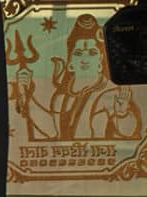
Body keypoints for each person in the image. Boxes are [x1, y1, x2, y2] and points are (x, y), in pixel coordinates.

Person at [16, 13, 142, 141]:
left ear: (101, 61)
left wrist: (122, 113)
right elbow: (51, 130)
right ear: (70, 62)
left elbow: (129, 132)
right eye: (78, 53)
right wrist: (25, 94)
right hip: (62, 159)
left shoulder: (110, 91)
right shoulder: (62, 96)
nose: (85, 59)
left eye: (92, 53)